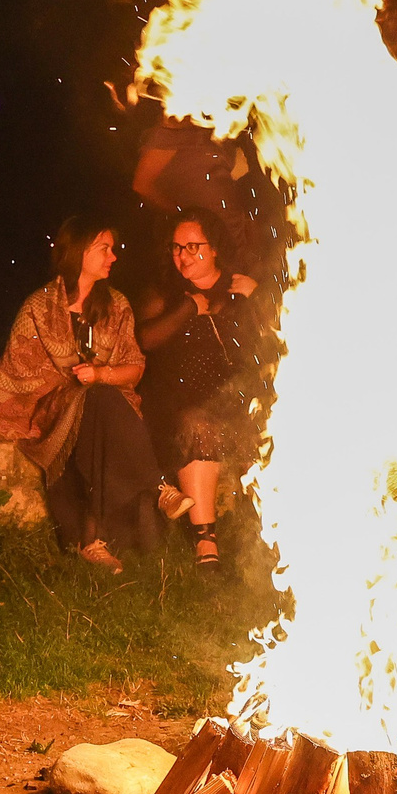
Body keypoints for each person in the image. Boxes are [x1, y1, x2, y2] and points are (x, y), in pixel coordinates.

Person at [0, 216, 157, 569]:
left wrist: (102, 374)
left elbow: (135, 368)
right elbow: (13, 369)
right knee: (97, 396)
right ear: (79, 251)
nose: (113, 257)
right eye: (104, 249)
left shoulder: (117, 305)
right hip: (55, 412)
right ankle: (159, 485)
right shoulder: (39, 307)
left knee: (101, 397)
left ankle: (91, 542)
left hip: (105, 412)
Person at [134, 213, 265, 566]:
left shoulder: (240, 287)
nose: (183, 256)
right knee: (197, 424)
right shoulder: (165, 293)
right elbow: (144, 339)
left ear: (215, 249)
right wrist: (188, 309)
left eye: (193, 246)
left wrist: (259, 297)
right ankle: (206, 543)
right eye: (177, 248)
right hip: (182, 400)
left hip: (238, 397)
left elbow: (277, 333)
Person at [134, 115, 268, 274]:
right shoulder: (175, 125)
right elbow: (142, 185)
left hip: (236, 239)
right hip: (205, 249)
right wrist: (184, 215)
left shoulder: (218, 126)